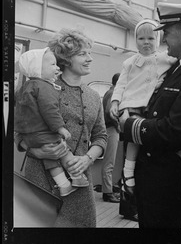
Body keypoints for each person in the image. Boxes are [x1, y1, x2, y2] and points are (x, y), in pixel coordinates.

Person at [118, 3, 181, 228]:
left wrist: (128, 125)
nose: (163, 40)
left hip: (166, 182)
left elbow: (174, 130)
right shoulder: (177, 67)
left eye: (167, 33)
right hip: (151, 176)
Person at [14, 28, 107, 227]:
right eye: (83, 54)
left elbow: (101, 136)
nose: (90, 58)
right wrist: (33, 149)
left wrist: (87, 159)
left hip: (80, 181)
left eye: (89, 53)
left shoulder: (93, 96)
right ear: (65, 58)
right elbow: (18, 129)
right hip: (40, 179)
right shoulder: (39, 88)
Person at [110, 18, 177, 196]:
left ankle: (131, 173)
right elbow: (121, 84)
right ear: (136, 40)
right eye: (141, 39)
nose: (146, 42)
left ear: (158, 40)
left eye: (151, 38)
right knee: (134, 137)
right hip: (131, 104)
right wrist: (115, 102)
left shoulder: (165, 58)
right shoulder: (129, 62)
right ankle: (128, 171)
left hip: (151, 105)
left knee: (144, 137)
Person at [14, 48, 89, 198]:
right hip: (45, 133)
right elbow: (50, 110)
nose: (57, 68)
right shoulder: (44, 86)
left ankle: (64, 185)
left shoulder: (23, 88)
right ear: (37, 69)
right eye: (53, 65)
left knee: (51, 158)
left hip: (31, 136)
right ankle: (78, 177)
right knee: (64, 151)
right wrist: (60, 128)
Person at [101, 72, 121, 203]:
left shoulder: (109, 92)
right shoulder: (113, 94)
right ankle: (107, 193)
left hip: (109, 129)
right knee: (109, 163)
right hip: (111, 130)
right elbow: (109, 111)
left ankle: (107, 190)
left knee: (109, 162)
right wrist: (118, 125)